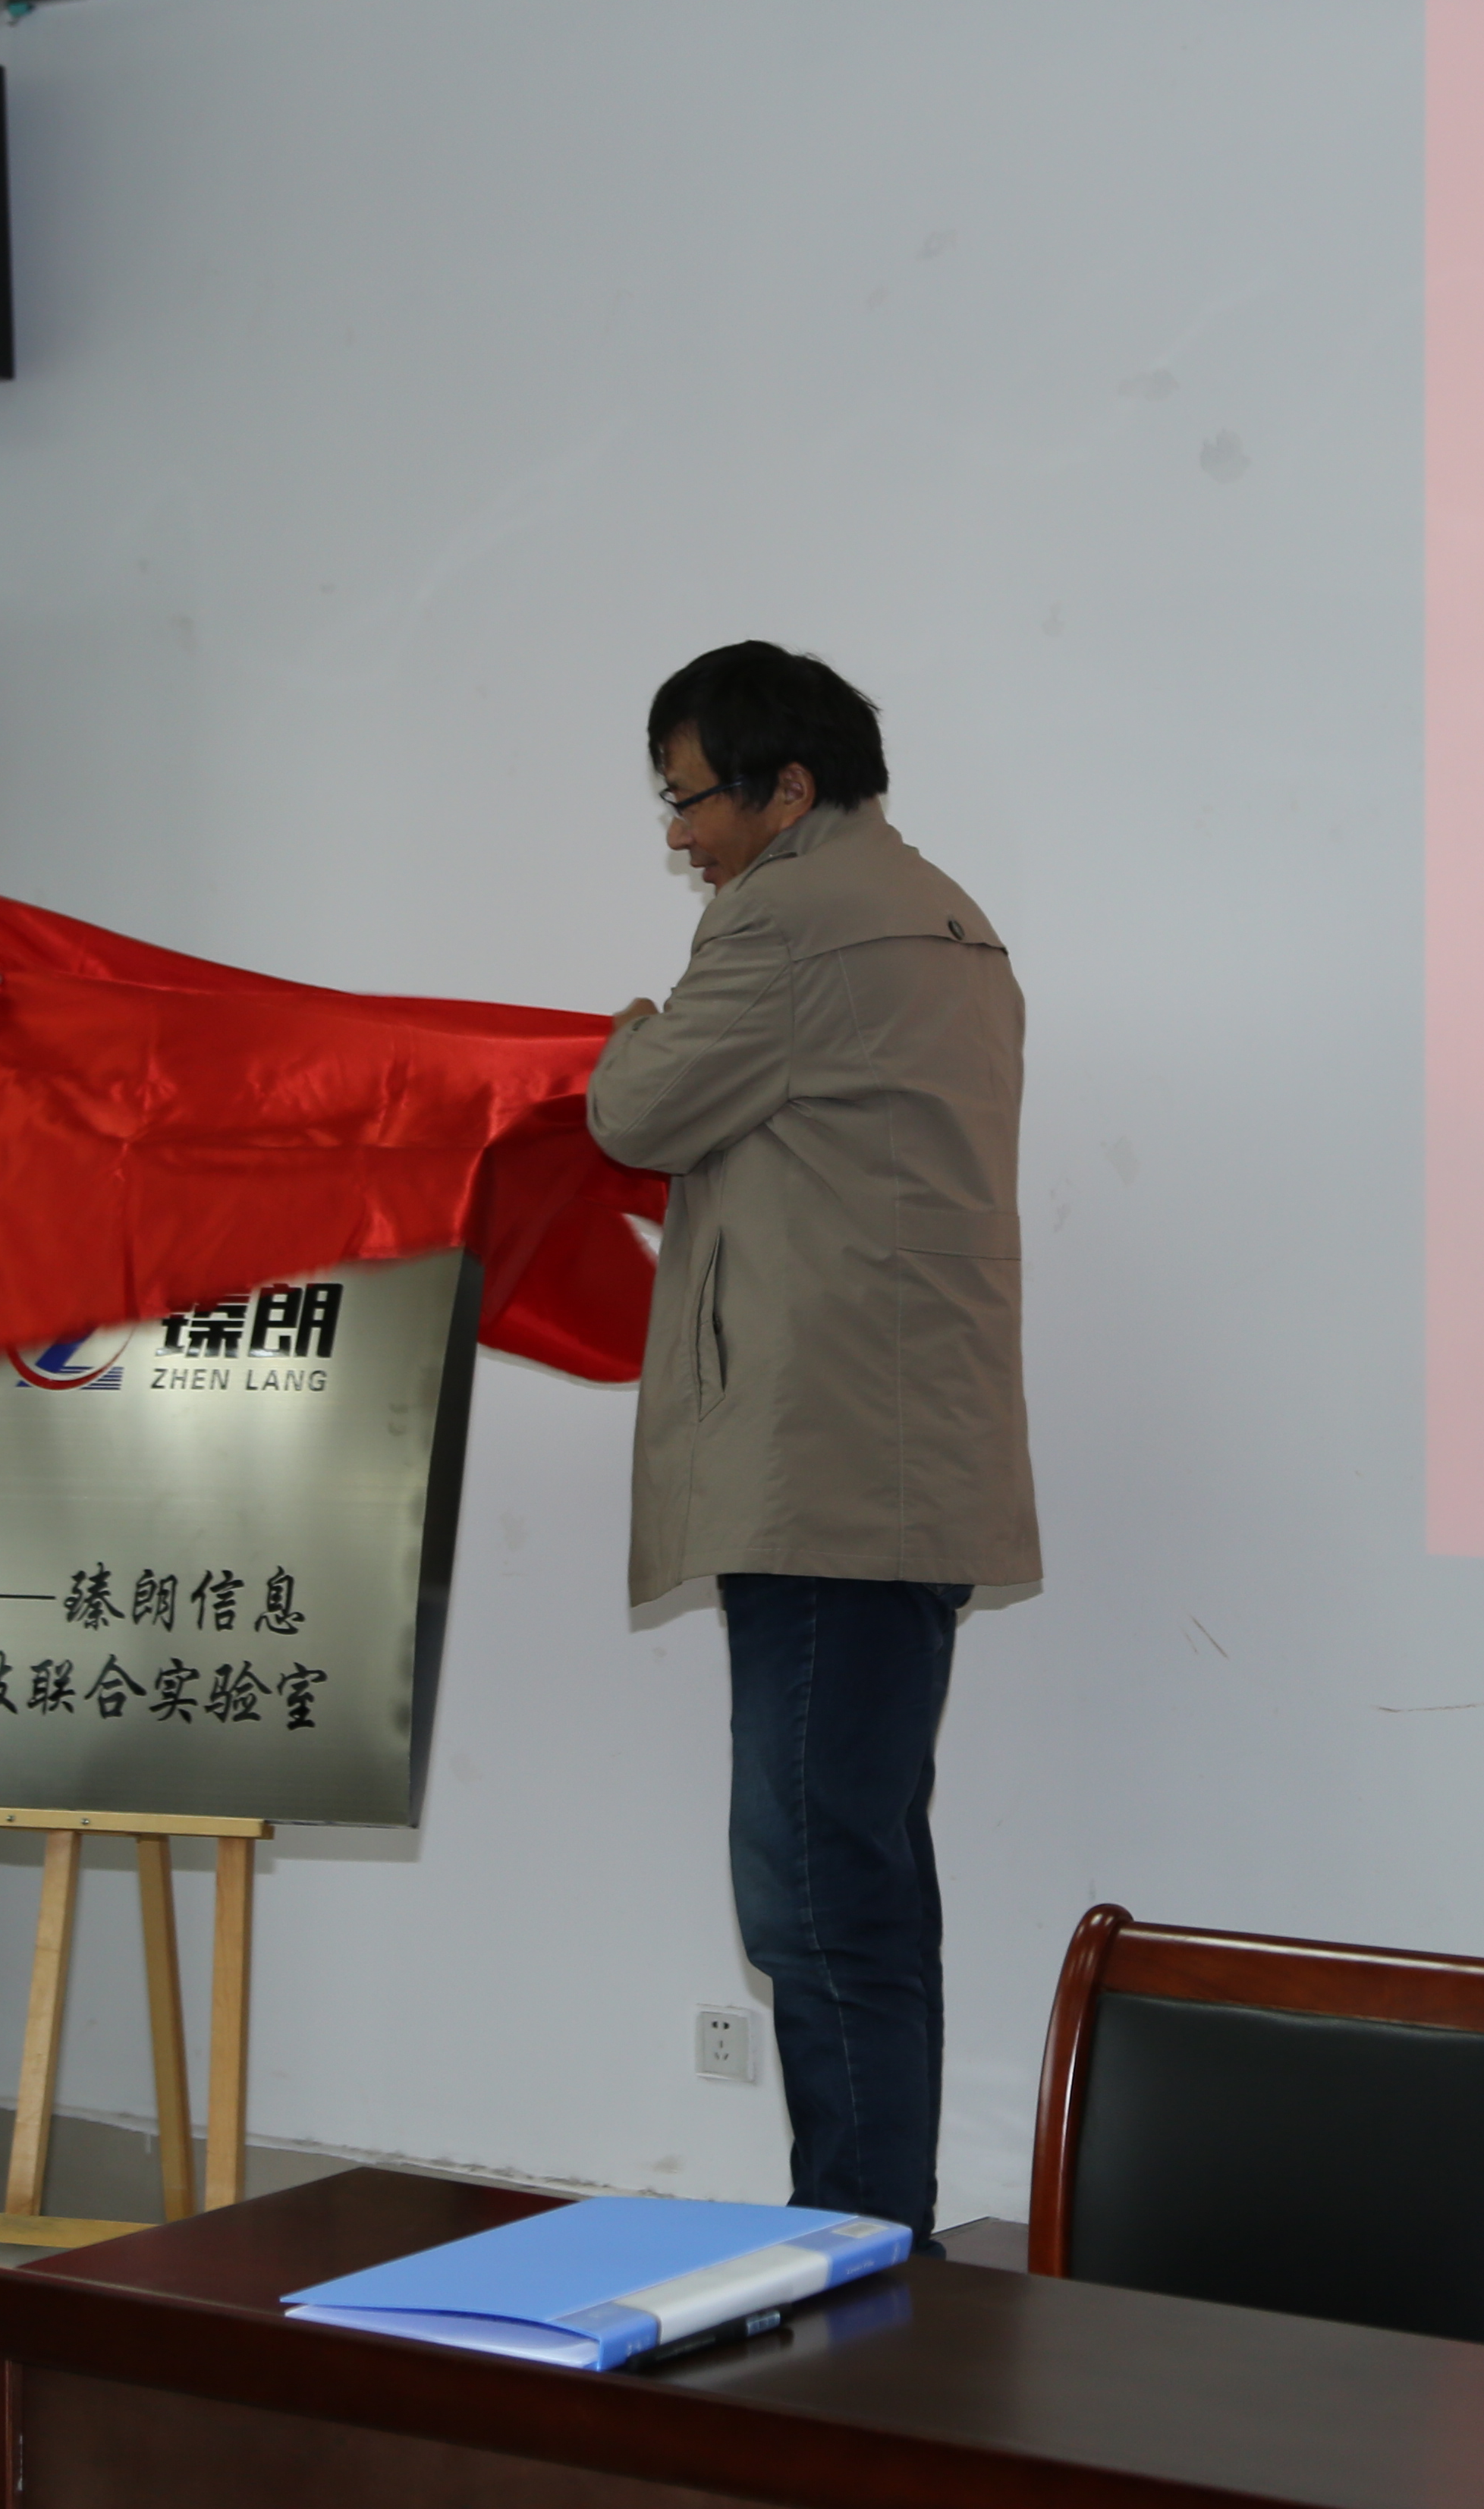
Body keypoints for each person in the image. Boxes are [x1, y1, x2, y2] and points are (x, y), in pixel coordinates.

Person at [586, 643, 1036, 2237]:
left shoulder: (786, 919)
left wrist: (630, 1028)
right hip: (907, 1462)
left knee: (813, 1895)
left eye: (692, 798)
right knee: (863, 1876)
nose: (679, 835)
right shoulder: (948, 915)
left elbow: (637, 1114)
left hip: (826, 1474)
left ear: (789, 788)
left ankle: (847, 2255)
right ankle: (872, 2240)